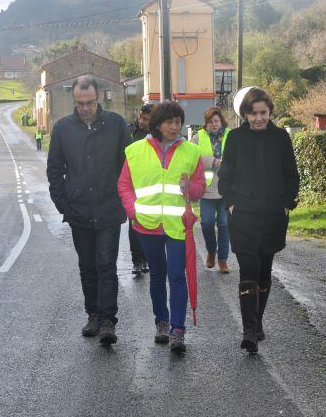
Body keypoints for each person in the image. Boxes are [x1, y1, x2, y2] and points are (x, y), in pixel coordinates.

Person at [46, 76, 131, 346]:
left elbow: (129, 165)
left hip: (109, 208)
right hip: (79, 210)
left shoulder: (116, 124)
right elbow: (54, 170)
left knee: (106, 264)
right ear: (74, 100)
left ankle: (108, 321)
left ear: (99, 98)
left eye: (90, 103)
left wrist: (125, 199)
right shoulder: (62, 128)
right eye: (80, 103)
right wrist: (64, 204)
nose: (85, 108)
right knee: (88, 266)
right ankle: (93, 314)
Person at [117, 101, 206, 353]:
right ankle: (161, 322)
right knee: (157, 275)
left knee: (177, 276)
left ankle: (178, 329)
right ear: (157, 124)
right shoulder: (135, 151)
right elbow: (124, 185)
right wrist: (133, 210)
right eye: (170, 122)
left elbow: (199, 188)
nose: (175, 126)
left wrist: (190, 187)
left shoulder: (191, 151)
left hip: (178, 226)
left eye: (178, 121)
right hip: (147, 225)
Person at [218, 88, 299, 354]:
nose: (258, 118)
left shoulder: (280, 138)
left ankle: (258, 320)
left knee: (265, 271)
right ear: (245, 114)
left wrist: (288, 202)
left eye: (263, 113)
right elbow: (226, 172)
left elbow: (291, 172)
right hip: (243, 214)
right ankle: (249, 330)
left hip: (273, 214)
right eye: (253, 113)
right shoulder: (236, 138)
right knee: (248, 269)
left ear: (270, 112)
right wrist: (230, 201)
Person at [191, 107, 231, 273]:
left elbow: (240, 155)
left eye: (216, 121)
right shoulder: (197, 137)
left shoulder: (231, 135)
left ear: (221, 121)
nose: (214, 124)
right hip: (206, 189)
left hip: (227, 188)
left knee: (224, 224)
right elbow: (191, 157)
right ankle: (211, 251)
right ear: (205, 124)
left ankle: (222, 259)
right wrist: (212, 161)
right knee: (207, 223)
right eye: (210, 122)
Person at [127, 104, 153, 275]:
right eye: (141, 117)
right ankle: (137, 260)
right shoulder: (128, 131)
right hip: (131, 183)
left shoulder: (155, 136)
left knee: (148, 223)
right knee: (134, 222)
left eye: (146, 119)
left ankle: (146, 259)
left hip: (150, 184)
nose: (141, 121)